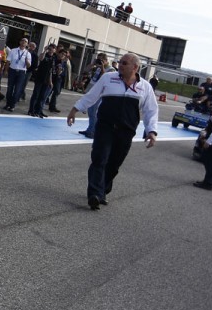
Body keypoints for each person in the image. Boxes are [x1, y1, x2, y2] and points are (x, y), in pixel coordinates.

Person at [66, 53, 158, 210]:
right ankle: (94, 194)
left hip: (126, 131)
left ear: (135, 67)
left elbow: (151, 110)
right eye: (120, 62)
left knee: (114, 164)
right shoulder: (108, 78)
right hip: (105, 127)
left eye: (125, 63)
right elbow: (91, 96)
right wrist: (75, 110)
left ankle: (102, 190)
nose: (120, 65)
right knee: (99, 158)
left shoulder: (145, 87)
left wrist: (152, 131)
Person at [3, 37, 32, 112]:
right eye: (22, 40)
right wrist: (6, 70)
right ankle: (8, 104)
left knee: (17, 90)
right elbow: (8, 61)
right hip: (12, 70)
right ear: (20, 42)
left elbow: (28, 66)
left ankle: (12, 105)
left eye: (25, 41)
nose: (23, 42)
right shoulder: (13, 50)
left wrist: (26, 60)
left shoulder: (28, 54)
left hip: (21, 72)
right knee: (10, 88)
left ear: (27, 44)